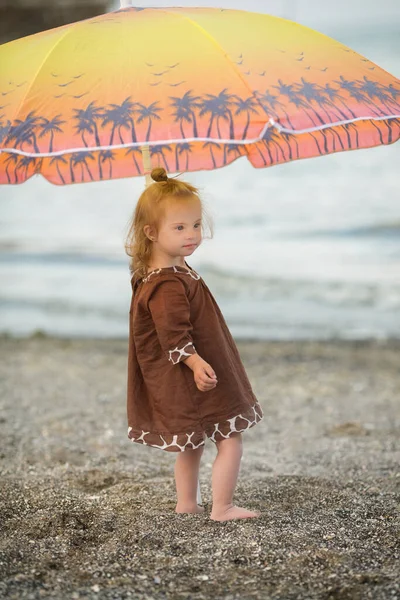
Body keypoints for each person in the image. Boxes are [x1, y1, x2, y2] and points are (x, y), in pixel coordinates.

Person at [124, 166, 264, 522]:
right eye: (180, 227)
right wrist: (194, 362)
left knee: (192, 442)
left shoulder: (159, 271)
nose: (192, 235)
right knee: (230, 436)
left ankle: (187, 503)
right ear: (151, 232)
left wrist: (160, 238)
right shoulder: (168, 283)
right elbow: (174, 333)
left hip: (187, 374)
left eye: (197, 225)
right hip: (198, 372)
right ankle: (223, 507)